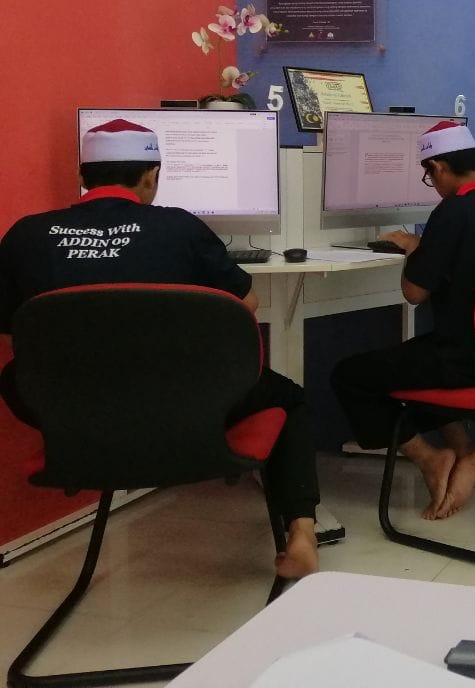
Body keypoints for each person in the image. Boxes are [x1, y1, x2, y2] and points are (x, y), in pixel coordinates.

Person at [0, 119, 320, 578]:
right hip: (187, 405)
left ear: (84, 175)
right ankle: (302, 532)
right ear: (151, 176)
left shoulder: (26, 235)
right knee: (290, 397)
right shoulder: (179, 227)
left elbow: (16, 330)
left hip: (75, 417)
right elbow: (244, 306)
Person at [330, 122, 475, 520]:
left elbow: (414, 293)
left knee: (351, 375)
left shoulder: (454, 210)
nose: (433, 184)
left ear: (439, 167)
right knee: (420, 358)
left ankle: (429, 457)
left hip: (464, 363)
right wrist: (429, 249)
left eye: (429, 175)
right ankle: (465, 449)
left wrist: (414, 250)